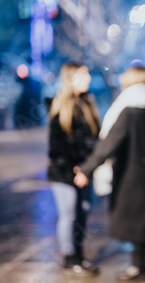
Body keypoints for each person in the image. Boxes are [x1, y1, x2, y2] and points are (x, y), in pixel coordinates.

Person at [73, 64, 145, 281]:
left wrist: (86, 169)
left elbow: (109, 143)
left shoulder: (130, 109)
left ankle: (140, 268)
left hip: (133, 176)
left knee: (136, 221)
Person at [46, 62, 100, 276]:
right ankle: (69, 257)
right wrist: (75, 171)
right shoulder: (61, 105)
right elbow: (57, 147)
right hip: (65, 174)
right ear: (71, 78)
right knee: (68, 214)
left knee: (83, 213)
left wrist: (88, 168)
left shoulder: (87, 103)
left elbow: (95, 139)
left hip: (84, 172)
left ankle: (79, 254)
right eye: (83, 75)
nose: (88, 79)